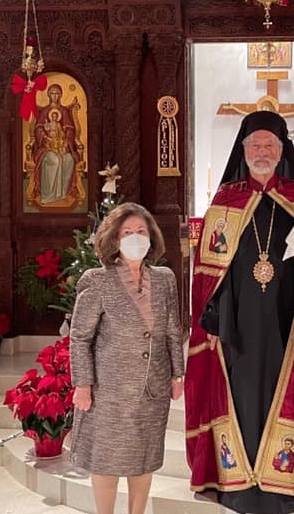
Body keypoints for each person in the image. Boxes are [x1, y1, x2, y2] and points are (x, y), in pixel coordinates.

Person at [185, 110, 294, 514]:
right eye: (255, 146)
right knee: (242, 399)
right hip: (238, 324)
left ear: (281, 152)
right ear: (243, 152)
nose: (262, 152)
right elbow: (207, 273)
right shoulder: (226, 201)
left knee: (287, 395)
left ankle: (286, 487)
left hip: (287, 321)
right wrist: (212, 319)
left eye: (269, 146)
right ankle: (237, 486)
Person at [68, 202, 185, 514]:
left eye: (141, 231)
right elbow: (80, 337)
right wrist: (83, 383)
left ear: (152, 237)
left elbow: (174, 329)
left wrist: (177, 374)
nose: (136, 237)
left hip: (153, 388)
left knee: (144, 460)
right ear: (114, 239)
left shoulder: (164, 279)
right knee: (106, 461)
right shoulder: (98, 280)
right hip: (110, 391)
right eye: (128, 232)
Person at [28, 84, 78, 206]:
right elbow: (38, 129)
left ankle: (62, 193)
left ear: (60, 95)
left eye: (57, 93)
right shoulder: (44, 111)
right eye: (52, 93)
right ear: (48, 95)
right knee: (54, 160)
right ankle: (47, 195)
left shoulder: (64, 111)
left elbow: (70, 129)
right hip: (46, 147)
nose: (54, 96)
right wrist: (45, 137)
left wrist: (66, 142)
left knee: (69, 159)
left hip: (61, 145)